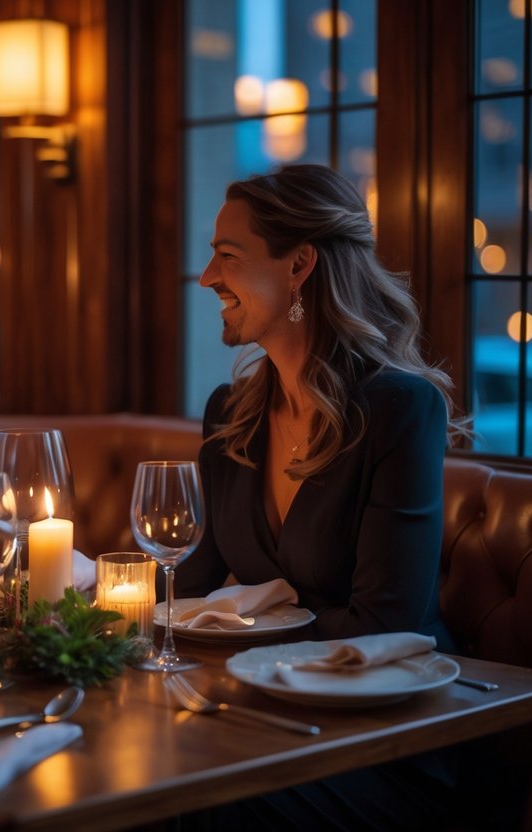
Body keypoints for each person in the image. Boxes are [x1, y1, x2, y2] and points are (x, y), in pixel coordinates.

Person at [178, 164, 466, 829]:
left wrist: (250, 613)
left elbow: (384, 625)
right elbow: (187, 585)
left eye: (228, 256)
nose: (207, 277)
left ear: (299, 265)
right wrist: (81, 605)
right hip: (267, 717)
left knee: (197, 804)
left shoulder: (399, 409)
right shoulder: (230, 413)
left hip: (384, 738)